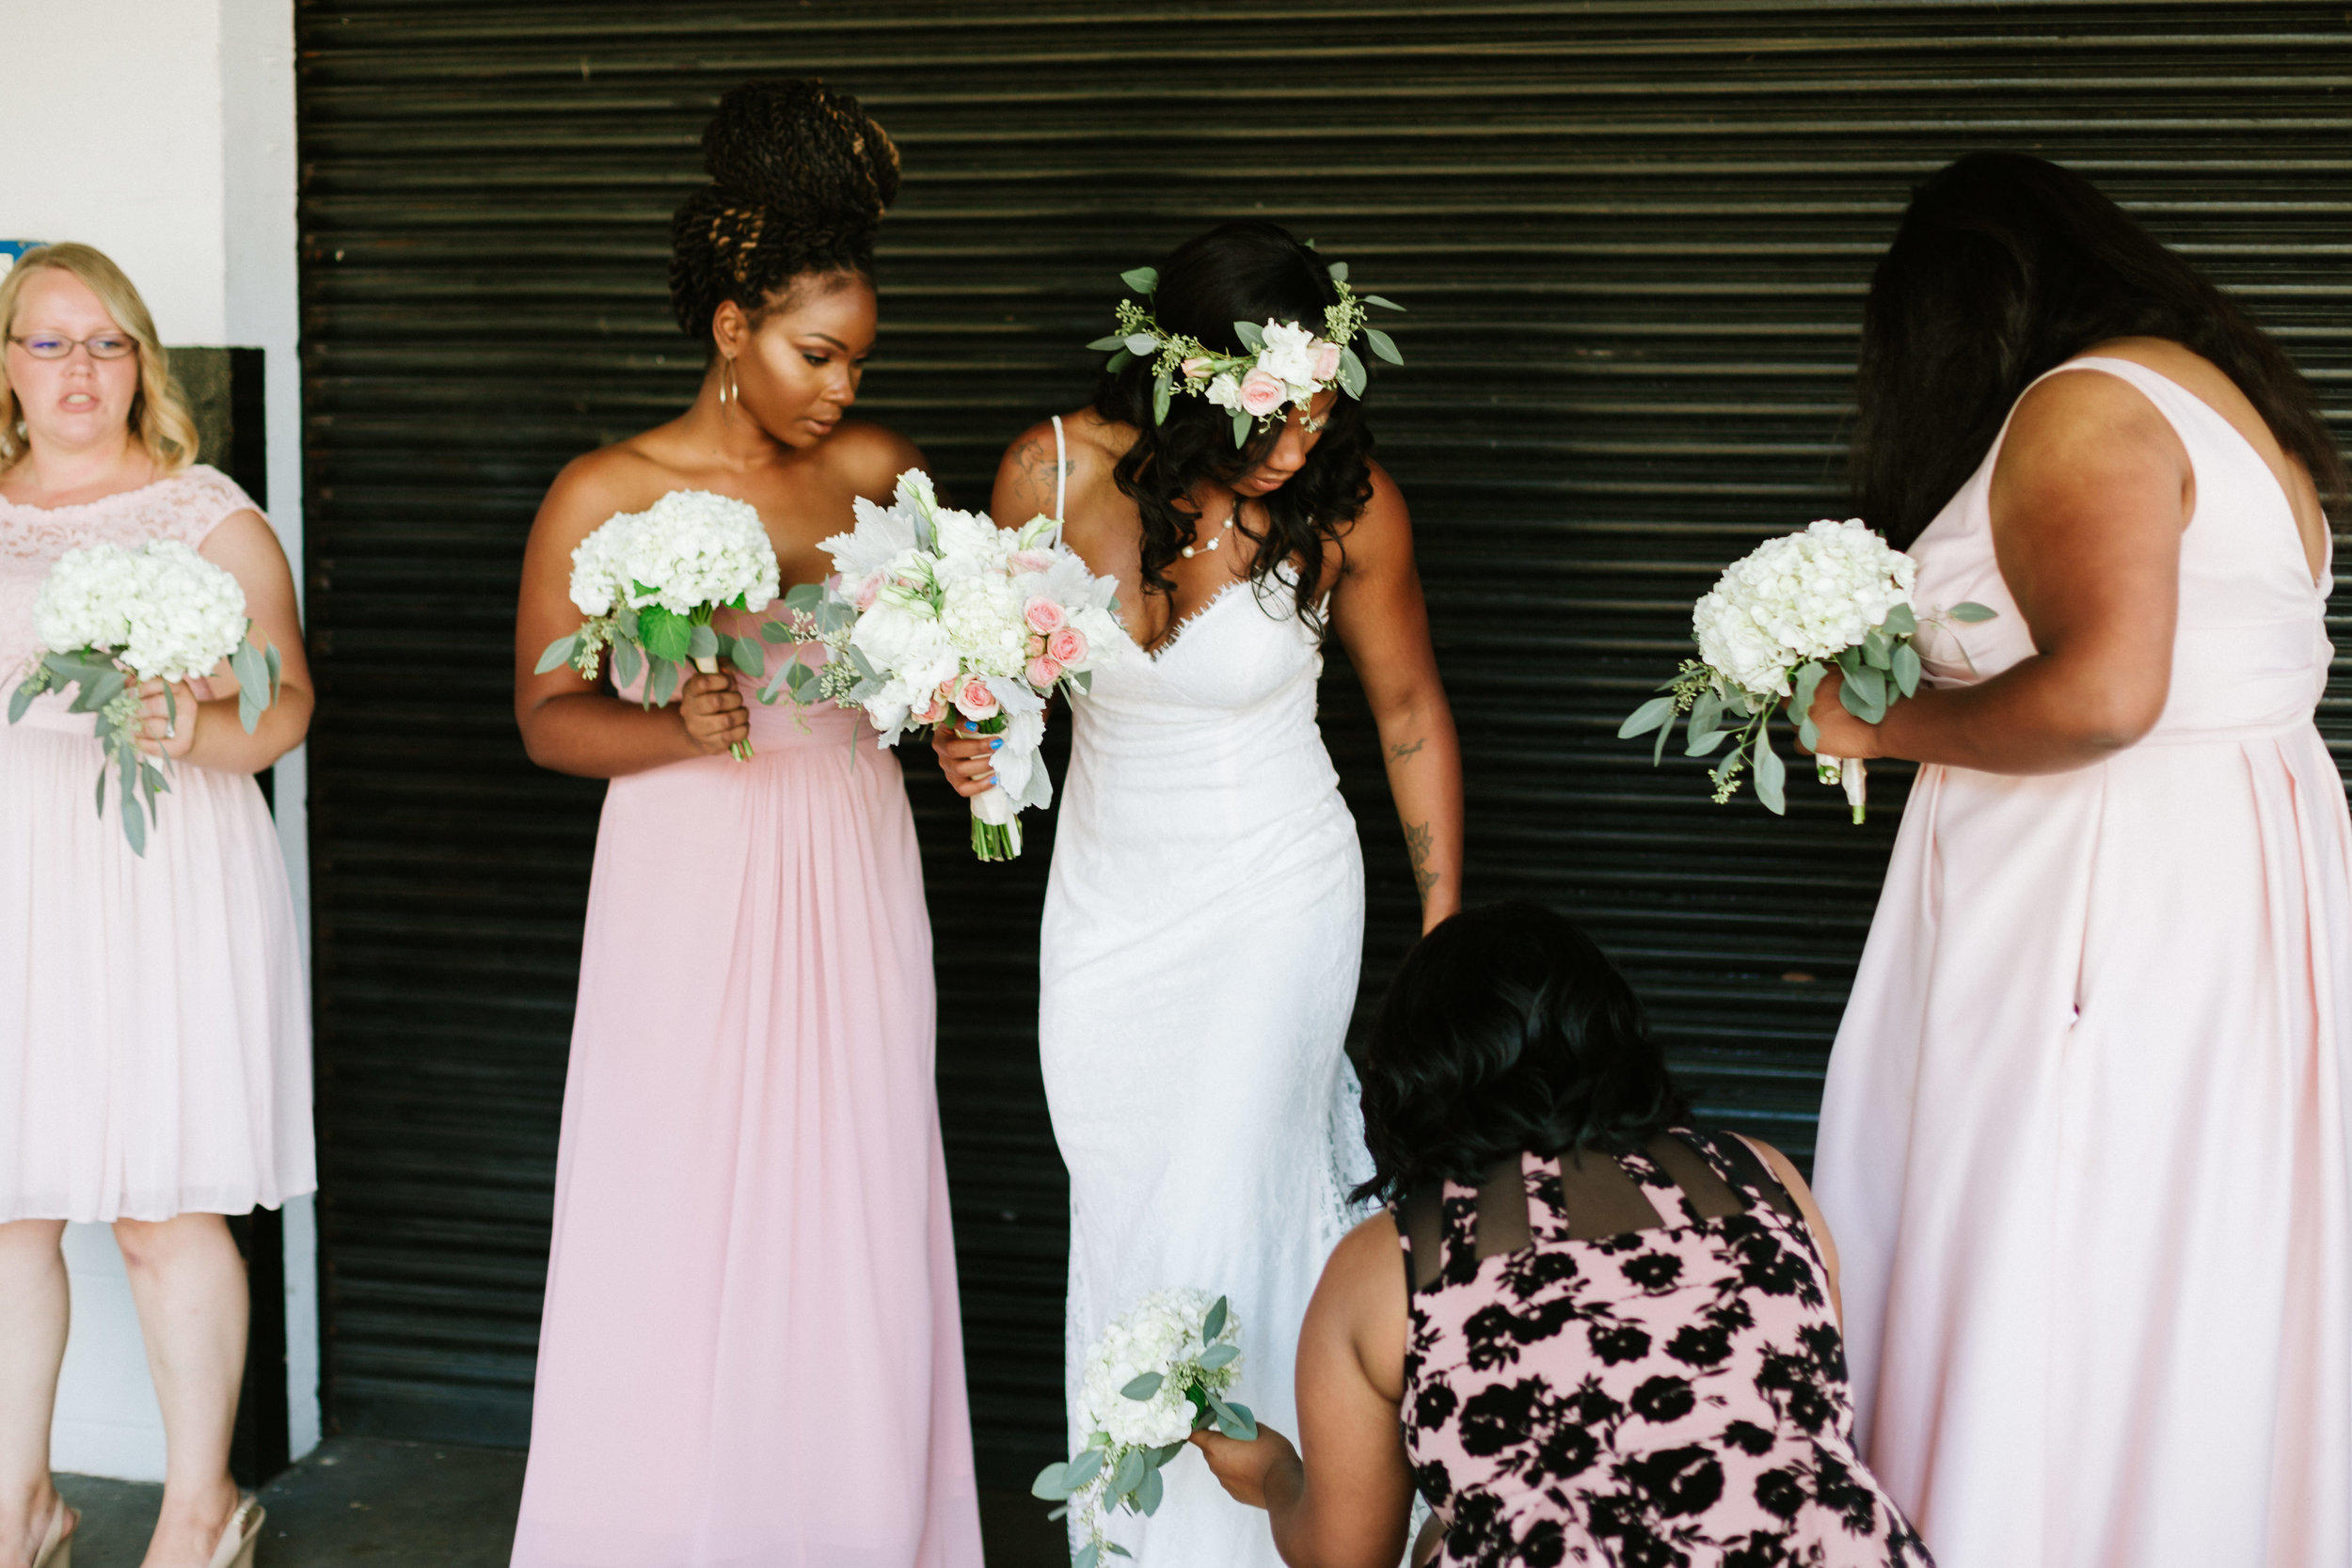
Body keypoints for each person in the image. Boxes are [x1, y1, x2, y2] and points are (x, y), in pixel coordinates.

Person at [1804, 152, 2352, 1567]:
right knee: (2182, 1256)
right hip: (2219, 890)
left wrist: (1876, 722)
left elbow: (2112, 693)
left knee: (2061, 1242)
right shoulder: (2228, 407)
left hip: (2102, 904)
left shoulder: (2081, 408)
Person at [934, 218, 1462, 1566]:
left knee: (1223, 1197)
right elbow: (1006, 707)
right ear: (1179, 382)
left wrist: (1443, 929)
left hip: (1275, 892)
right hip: (1109, 910)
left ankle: (1274, 1539)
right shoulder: (1043, 475)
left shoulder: (1347, 505)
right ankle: (1138, 1538)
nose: (1295, 447)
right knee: (1129, 1214)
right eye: (1266, 418)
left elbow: (1405, 711)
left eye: (1315, 413)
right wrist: (970, 742)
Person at [507, 81, 981, 1567]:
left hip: (848, 843)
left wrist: (963, 729)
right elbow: (541, 717)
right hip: (688, 867)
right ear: (732, 329)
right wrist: (668, 724)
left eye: (856, 358)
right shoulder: (607, 486)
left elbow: (931, 669)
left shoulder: (877, 472)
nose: (840, 386)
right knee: (676, 1186)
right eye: (814, 352)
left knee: (853, 1182)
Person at [1189, 902, 1932, 1568]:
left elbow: (1347, 1557)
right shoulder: (1765, 1176)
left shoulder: (1393, 1262)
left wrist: (1276, 1473)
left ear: (1415, 1079)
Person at [0, 245, 313, 1568]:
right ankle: (21, 1503)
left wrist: (188, 718)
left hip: (164, 869)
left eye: (106, 341)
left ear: (143, 362)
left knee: (162, 1207)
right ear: (6, 366)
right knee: (6, 1204)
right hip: (16, 872)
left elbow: (286, 703)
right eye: (48, 340)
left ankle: (200, 1506)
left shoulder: (207, 516)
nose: (79, 368)